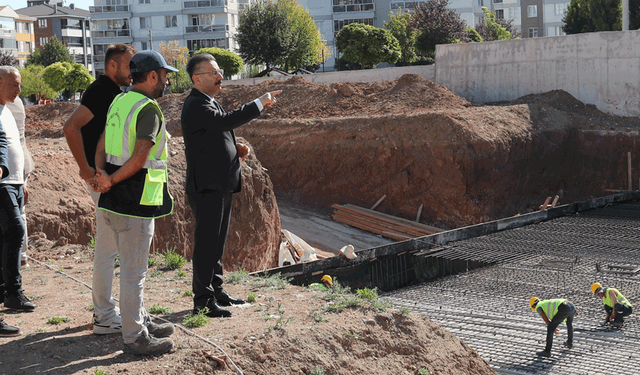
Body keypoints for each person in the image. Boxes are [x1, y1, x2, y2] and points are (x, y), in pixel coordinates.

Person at [181, 53, 281, 318]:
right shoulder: (196, 104)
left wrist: (234, 149)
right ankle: (202, 300)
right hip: (207, 185)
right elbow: (226, 122)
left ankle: (216, 290)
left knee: (217, 243)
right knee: (206, 244)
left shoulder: (208, 101)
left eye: (219, 71)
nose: (220, 76)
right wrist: (259, 103)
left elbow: (214, 133)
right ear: (196, 78)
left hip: (218, 183)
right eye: (213, 72)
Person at [92, 50, 177, 355]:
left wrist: (102, 175)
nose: (166, 82)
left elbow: (102, 143)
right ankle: (135, 336)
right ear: (152, 76)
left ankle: (138, 319)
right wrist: (110, 180)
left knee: (128, 267)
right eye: (164, 76)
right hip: (135, 200)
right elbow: (141, 157)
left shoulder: (120, 101)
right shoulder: (149, 109)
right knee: (133, 271)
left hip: (113, 199)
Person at [63, 43, 137, 335]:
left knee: (109, 248)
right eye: (129, 66)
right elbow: (71, 127)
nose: (134, 72)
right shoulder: (100, 91)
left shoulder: (114, 92)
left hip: (109, 179)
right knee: (108, 248)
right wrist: (85, 169)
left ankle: (106, 312)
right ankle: (105, 316)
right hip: (102, 180)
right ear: (113, 66)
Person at [0, 67, 35, 313]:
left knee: (8, 235)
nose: (18, 90)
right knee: (15, 230)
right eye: (14, 85)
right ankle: (12, 291)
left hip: (13, 182)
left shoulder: (8, 109)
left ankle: (8, 292)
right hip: (2, 183)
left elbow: (16, 143)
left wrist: (21, 179)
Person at [7, 96, 34, 269]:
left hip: (13, 164)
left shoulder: (9, 103)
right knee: (19, 211)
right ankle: (21, 257)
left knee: (16, 211)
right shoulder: (14, 100)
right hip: (18, 162)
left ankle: (19, 257)